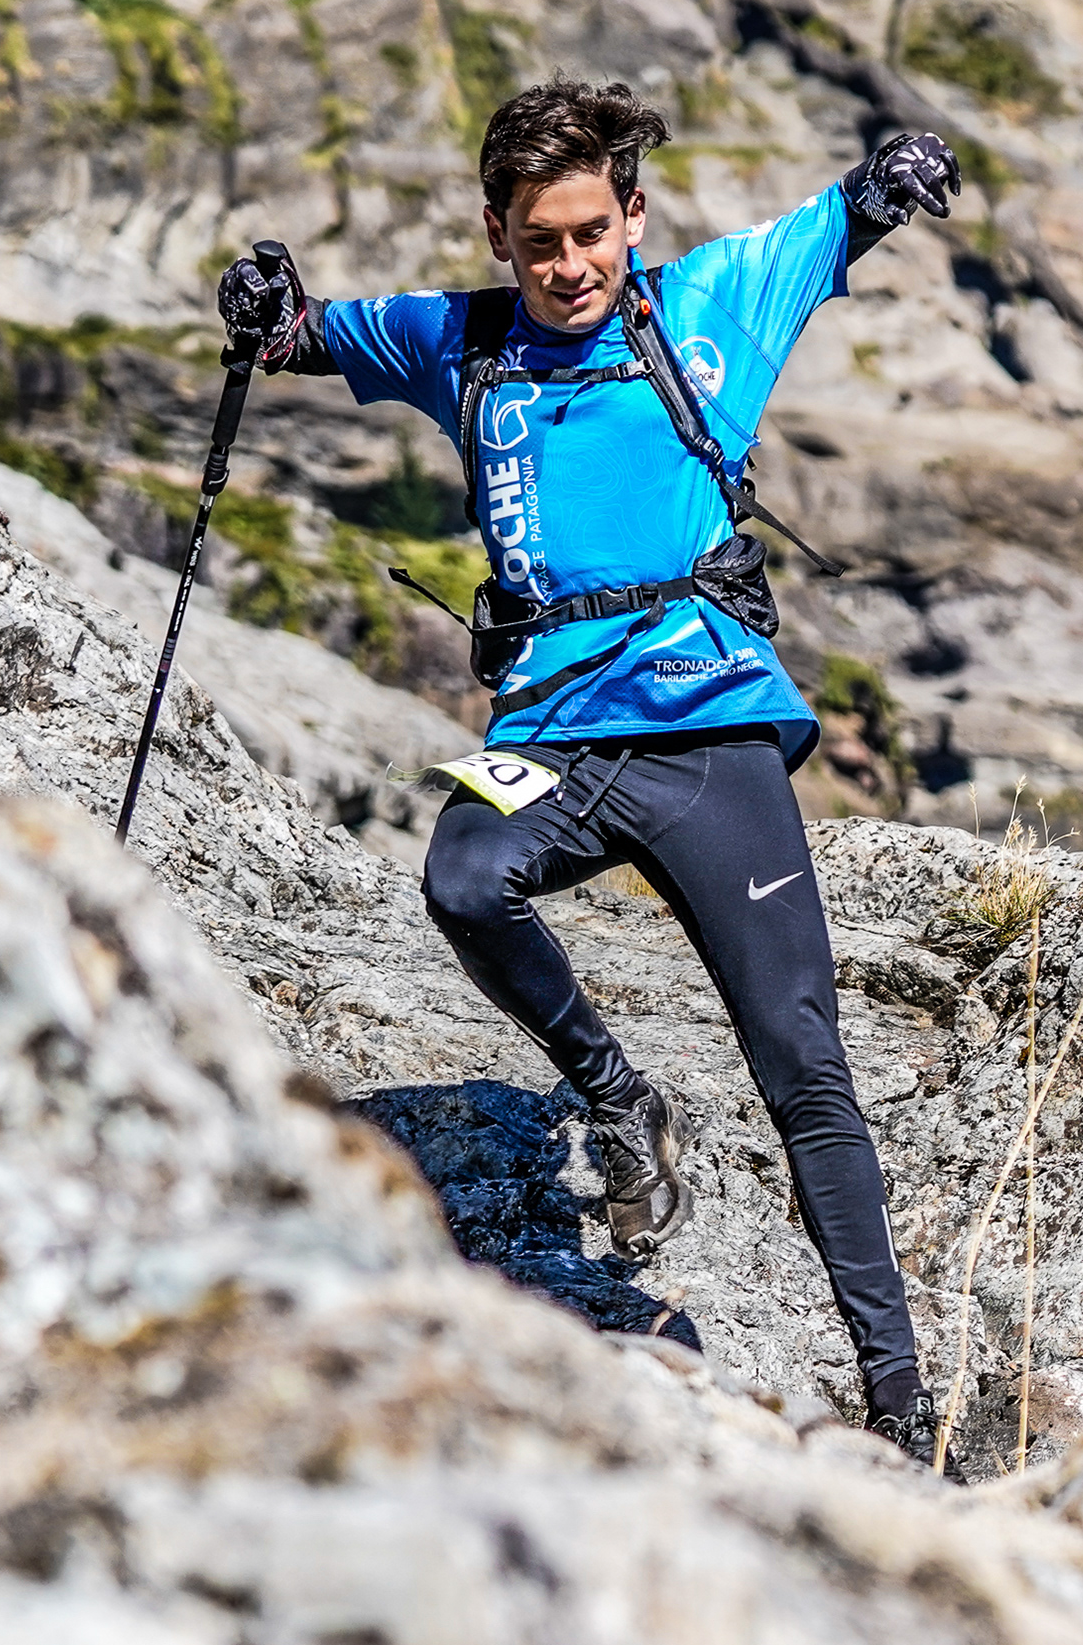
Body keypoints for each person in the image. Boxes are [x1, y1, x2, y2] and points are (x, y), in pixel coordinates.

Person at [216, 81, 964, 1470]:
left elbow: (838, 217)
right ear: (497, 233)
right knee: (463, 875)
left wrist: (896, 177)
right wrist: (263, 305)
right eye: (539, 241)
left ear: (633, 214)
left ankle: (902, 1407)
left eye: (590, 234)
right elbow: (305, 334)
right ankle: (618, 1099)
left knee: (803, 1066)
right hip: (550, 739)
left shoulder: (712, 303)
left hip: (710, 731)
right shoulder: (460, 339)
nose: (568, 267)